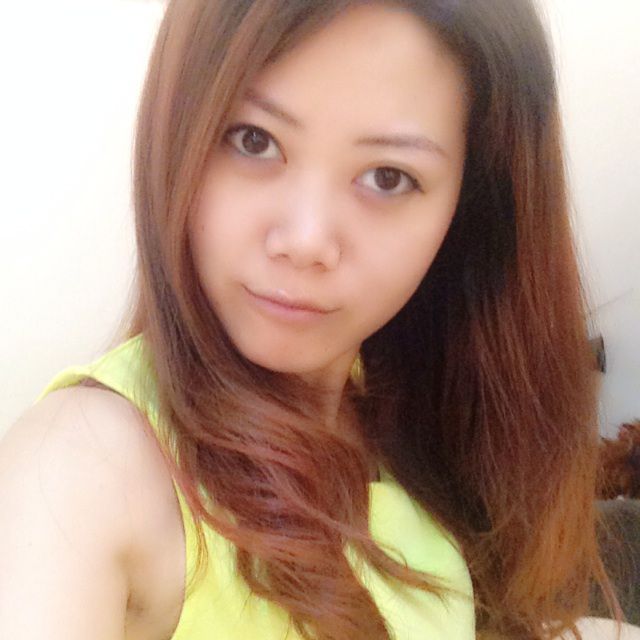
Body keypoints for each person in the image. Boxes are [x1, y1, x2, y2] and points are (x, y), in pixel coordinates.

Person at [0, 1, 624, 638]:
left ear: (469, 208)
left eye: (388, 177)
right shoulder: (84, 466)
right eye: (254, 140)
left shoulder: (414, 421)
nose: (305, 241)